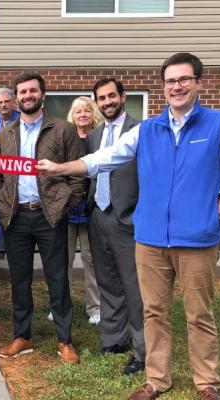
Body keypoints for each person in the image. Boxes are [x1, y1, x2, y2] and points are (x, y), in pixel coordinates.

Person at [37, 53, 220, 400]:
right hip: (149, 239)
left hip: (197, 239)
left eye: (183, 79)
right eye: (170, 81)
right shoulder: (148, 129)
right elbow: (104, 158)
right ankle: (157, 379)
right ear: (162, 87)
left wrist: (216, 217)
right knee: (154, 312)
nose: (176, 86)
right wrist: (60, 169)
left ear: (198, 82)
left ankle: (207, 383)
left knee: (199, 314)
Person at [0, 73, 86, 365]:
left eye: (32, 90)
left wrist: (66, 206)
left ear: (42, 94)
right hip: (16, 217)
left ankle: (65, 340)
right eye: (22, 92)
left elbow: (78, 174)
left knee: (57, 279)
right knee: (19, 280)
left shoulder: (64, 130)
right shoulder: (4, 134)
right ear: (16, 98)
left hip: (51, 216)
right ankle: (22, 336)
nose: (27, 96)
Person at [82, 78, 146, 376]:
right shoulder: (93, 136)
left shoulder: (141, 130)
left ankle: (142, 349)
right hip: (99, 216)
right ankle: (113, 340)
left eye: (111, 96)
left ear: (123, 96)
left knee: (135, 286)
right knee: (107, 281)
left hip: (129, 218)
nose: (107, 102)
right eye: (101, 98)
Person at [62, 96, 102, 326]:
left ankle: (95, 307)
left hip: (92, 207)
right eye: (78, 111)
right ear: (72, 116)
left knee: (91, 259)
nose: (83, 115)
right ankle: (61, 304)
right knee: (63, 259)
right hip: (67, 208)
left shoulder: (99, 137)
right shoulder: (66, 137)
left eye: (87, 110)